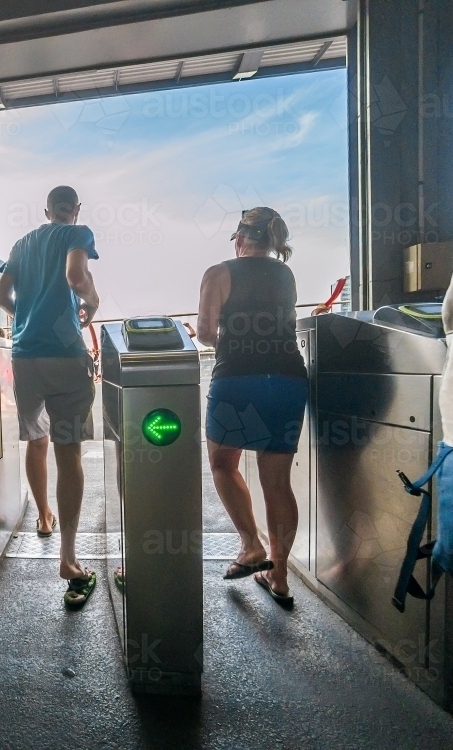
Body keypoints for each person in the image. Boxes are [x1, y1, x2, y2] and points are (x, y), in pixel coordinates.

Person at [0, 185, 100, 609]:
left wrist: (27, 319)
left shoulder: (23, 243)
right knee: (67, 451)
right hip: (64, 355)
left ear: (45, 210)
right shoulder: (78, 233)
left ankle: (42, 516)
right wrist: (91, 299)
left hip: (25, 357)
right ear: (75, 209)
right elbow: (77, 276)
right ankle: (69, 560)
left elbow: (1, 296)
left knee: (36, 441)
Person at [197, 207, 307, 609]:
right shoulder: (286, 274)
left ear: (240, 239)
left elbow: (207, 332)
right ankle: (278, 576)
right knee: (277, 482)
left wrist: (222, 334)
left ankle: (251, 546)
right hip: (288, 380)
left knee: (223, 464)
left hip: (238, 380)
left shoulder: (218, 272)